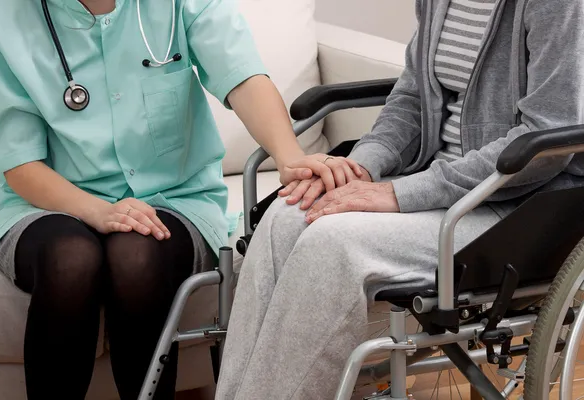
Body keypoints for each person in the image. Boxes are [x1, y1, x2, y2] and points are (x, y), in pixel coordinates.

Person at [0, 0, 361, 399]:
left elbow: (242, 76)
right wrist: (99, 212)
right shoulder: (2, 13)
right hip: (49, 204)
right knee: (71, 260)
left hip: (175, 199)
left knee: (137, 253)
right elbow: (19, 161)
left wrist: (290, 158)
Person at [215, 0, 584, 398]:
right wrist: (358, 171)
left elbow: (548, 139)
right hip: (438, 188)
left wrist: (398, 193)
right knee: (288, 213)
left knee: (331, 246)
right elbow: (412, 100)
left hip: (516, 205)